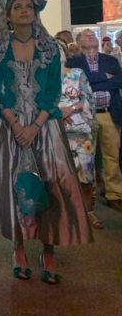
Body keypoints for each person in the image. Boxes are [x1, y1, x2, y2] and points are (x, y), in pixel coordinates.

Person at [0, 0, 91, 285]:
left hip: (44, 125)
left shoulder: (50, 48)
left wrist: (35, 125)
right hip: (9, 125)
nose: (24, 10)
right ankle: (19, 248)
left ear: (35, 14)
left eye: (29, 7)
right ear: (8, 16)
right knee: (14, 185)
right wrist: (15, 123)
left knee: (52, 182)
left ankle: (49, 249)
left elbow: (53, 91)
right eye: (17, 7)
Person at [68, 29, 122, 213]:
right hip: (84, 116)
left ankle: (115, 194)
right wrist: (105, 77)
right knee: (85, 158)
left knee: (112, 155)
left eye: (93, 35)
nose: (91, 36)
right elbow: (77, 85)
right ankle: (87, 198)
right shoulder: (74, 62)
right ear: (78, 42)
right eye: (86, 35)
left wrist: (91, 81)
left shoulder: (110, 60)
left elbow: (119, 81)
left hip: (108, 113)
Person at [57, 41, 101, 229]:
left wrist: (71, 109)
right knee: (60, 175)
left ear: (64, 54)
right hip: (55, 131)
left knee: (85, 173)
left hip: (80, 132)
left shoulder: (77, 74)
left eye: (58, 50)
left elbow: (88, 99)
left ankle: (88, 211)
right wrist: (58, 112)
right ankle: (66, 214)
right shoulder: (42, 78)